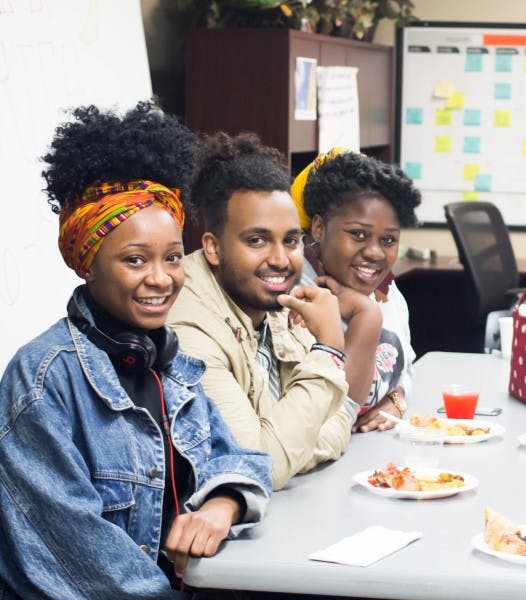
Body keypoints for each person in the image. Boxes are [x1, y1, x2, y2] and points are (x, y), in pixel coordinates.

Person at [0, 103, 272, 596]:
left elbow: (242, 459)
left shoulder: (170, 362)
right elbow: (79, 560)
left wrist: (222, 504)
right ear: (87, 262)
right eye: (134, 260)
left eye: (172, 257)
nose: (161, 278)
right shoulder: (42, 380)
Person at [168, 132, 379, 490]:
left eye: (291, 240)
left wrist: (291, 445)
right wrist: (328, 349)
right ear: (213, 248)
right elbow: (260, 465)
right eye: (257, 240)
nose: (281, 260)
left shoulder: (275, 301)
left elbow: (336, 421)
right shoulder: (187, 325)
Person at [291, 148, 421, 433]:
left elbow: (405, 364)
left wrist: (398, 399)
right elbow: (331, 412)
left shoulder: (386, 289)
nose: (375, 253)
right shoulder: (296, 294)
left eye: (388, 240)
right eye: (358, 235)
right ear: (319, 228)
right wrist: (365, 313)